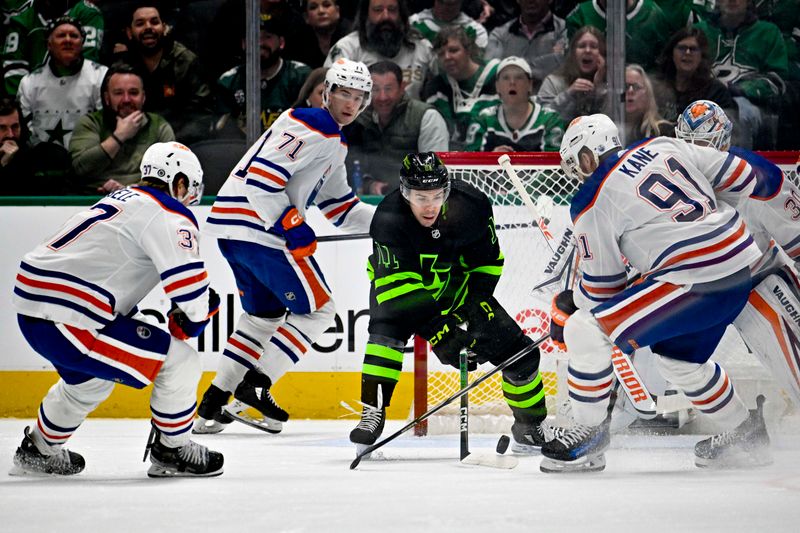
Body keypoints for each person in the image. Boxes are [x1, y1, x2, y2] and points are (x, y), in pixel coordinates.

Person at [541, 114, 769, 473]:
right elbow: (745, 174)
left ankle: (587, 434)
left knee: (585, 329)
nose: (579, 173)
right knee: (679, 362)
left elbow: (602, 291)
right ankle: (747, 432)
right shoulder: (662, 145)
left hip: (695, 280)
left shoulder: (592, 197)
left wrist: (570, 309)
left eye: (576, 163)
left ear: (587, 156)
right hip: (741, 264)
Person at [10, 141, 225, 477]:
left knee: (89, 383)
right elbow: (192, 296)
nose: (189, 201)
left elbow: (106, 269)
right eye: (189, 191)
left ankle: (37, 452)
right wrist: (199, 314)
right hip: (70, 317)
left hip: (34, 308)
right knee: (181, 360)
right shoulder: (168, 211)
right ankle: (172, 450)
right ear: (179, 183)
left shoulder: (122, 199)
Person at [193, 58, 377, 435]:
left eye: (359, 97)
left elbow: (339, 207)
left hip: (235, 229)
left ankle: (212, 404)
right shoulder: (317, 126)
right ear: (327, 91)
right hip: (260, 230)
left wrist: (392, 223)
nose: (350, 103)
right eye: (343, 92)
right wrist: (290, 224)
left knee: (262, 318)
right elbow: (262, 181)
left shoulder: (328, 138)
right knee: (319, 312)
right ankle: (254, 389)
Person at [349, 152, 550, 454]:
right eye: (420, 197)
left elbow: (487, 264)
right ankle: (372, 412)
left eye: (436, 195)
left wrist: (471, 308)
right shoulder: (389, 217)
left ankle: (530, 428)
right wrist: (442, 335)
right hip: (399, 291)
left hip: (457, 292)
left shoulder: (472, 206)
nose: (429, 205)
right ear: (405, 193)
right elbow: (400, 288)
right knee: (384, 335)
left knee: (521, 355)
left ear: (447, 190)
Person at [675, 99, 800, 405]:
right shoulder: (667, 179)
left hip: (758, 281)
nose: (696, 156)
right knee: (645, 334)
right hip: (698, 291)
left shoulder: (757, 178)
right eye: (687, 146)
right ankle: (742, 429)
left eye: (703, 146)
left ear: (723, 143)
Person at [693, 0, 789, 148]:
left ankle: (738, 165)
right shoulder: (700, 31)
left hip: (747, 102)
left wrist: (744, 89)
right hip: (704, 96)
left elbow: (777, 79)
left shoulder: (767, 32)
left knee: (740, 115)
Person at [113, 4, 214, 144]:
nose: (148, 27)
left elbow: (201, 116)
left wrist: (169, 144)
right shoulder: (120, 68)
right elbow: (111, 113)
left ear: (165, 28)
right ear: (129, 32)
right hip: (133, 145)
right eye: (140, 23)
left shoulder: (186, 62)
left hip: (179, 144)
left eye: (154, 22)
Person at [69, 63, 175, 195]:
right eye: (118, 93)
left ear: (143, 97)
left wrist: (131, 190)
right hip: (94, 200)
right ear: (107, 98)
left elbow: (169, 174)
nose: (126, 99)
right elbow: (80, 169)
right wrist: (119, 137)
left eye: (133, 93)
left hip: (144, 200)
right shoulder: (91, 123)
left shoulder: (159, 126)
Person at [346, 60, 449, 195]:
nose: (382, 97)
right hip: (370, 202)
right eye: (375, 89)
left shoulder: (427, 117)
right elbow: (352, 167)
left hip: (415, 202)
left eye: (388, 89)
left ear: (402, 88)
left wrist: (399, 188)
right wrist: (369, 185)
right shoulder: (360, 120)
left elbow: (435, 174)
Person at [214, 12, 312, 137]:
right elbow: (222, 131)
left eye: (267, 37)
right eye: (253, 36)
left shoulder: (301, 76)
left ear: (281, 42)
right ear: (244, 44)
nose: (259, 43)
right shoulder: (229, 81)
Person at [17, 16, 107, 149]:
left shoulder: (101, 75)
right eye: (61, 35)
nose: (68, 40)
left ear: (82, 43)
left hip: (88, 159)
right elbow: (25, 132)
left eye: (74, 36)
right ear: (49, 44)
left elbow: (107, 126)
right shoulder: (29, 83)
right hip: (42, 161)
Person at [325, 0, 436, 99]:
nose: (385, 17)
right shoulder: (347, 49)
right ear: (366, 15)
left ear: (401, 14)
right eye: (377, 10)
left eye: (392, 10)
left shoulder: (422, 48)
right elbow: (328, 97)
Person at [2, 0, 104, 96]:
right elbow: (14, 70)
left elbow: (87, 64)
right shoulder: (21, 21)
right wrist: (23, 105)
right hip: (32, 101)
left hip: (77, 97)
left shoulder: (86, 13)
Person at [422, 25, 500, 151]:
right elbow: (441, 132)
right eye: (441, 54)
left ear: (468, 50)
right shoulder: (436, 86)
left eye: (453, 50)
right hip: (455, 160)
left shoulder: (498, 76)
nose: (447, 57)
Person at [465, 56, 565, 152]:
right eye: (506, 77)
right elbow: (468, 163)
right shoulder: (484, 119)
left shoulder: (550, 120)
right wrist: (492, 159)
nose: (512, 82)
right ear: (497, 86)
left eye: (519, 77)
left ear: (530, 84)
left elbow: (556, 163)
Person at [652, 27, 736, 133]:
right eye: (682, 48)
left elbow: (726, 131)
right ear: (672, 53)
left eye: (693, 49)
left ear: (702, 56)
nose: (687, 53)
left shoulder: (716, 92)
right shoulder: (654, 86)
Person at [485, 0, 567, 91]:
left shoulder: (565, 30)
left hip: (549, 99)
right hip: (508, 98)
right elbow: (491, 71)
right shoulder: (500, 34)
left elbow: (560, 63)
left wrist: (509, 70)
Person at [565, 0, 671, 70]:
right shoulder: (580, 15)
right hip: (592, 90)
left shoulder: (652, 14)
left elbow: (664, 65)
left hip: (642, 91)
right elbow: (571, 65)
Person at [536, 25, 606, 124]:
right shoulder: (553, 82)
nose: (587, 50)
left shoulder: (613, 85)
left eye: (594, 46)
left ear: (602, 54)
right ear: (573, 53)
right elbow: (540, 120)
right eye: (582, 46)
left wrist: (598, 89)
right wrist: (569, 95)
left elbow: (614, 121)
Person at [623, 64, 674, 145]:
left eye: (636, 87)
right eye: (625, 86)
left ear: (648, 95)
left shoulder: (662, 131)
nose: (630, 91)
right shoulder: (606, 129)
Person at [293, 0, 353, 68]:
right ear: (306, 17)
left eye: (327, 5)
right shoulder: (300, 41)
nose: (321, 11)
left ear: (337, 11)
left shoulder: (352, 36)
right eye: (313, 7)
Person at [409, 0, 489, 49]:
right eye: (441, 2)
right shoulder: (413, 23)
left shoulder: (476, 31)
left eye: (452, 4)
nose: (446, 8)